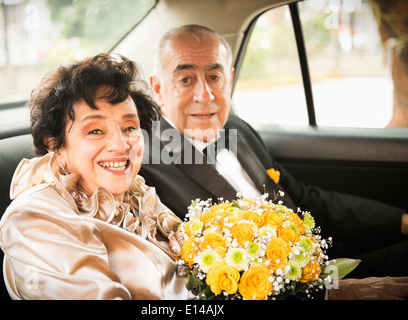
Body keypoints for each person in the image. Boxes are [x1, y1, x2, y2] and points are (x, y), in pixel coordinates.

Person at [139, 25, 408, 298]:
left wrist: (401, 220)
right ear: (159, 88)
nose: (205, 95)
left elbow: (305, 199)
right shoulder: (146, 169)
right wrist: (334, 292)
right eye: (186, 79)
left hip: (323, 265)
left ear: (229, 80)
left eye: (214, 76)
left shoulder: (237, 129)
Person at [0, 53, 191, 300]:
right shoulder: (33, 218)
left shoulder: (136, 193)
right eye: (96, 131)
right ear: (55, 144)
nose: (120, 145)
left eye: (129, 128)